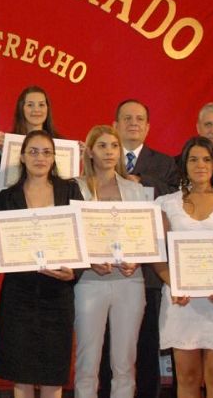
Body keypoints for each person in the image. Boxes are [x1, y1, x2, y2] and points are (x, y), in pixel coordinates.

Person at [0, 130, 82, 398]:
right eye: (33, 152)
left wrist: (75, 272)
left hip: (57, 296)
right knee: (21, 377)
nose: (40, 157)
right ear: (23, 157)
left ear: (54, 158)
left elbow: (83, 240)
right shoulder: (6, 197)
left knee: (53, 376)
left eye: (46, 152)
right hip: (19, 297)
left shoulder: (70, 190)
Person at [153, 136, 213, 398]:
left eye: (207, 159)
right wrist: (175, 284)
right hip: (181, 301)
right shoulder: (165, 203)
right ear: (183, 165)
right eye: (193, 159)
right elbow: (157, 255)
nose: (200, 165)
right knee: (187, 377)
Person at [101, 99, 179, 398]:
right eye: (127, 118)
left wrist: (141, 181)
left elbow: (174, 199)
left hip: (149, 273)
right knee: (108, 347)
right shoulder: (104, 156)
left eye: (140, 119)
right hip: (106, 271)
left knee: (148, 347)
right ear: (115, 125)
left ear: (148, 127)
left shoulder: (165, 164)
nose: (133, 123)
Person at [73, 125, 146, 398]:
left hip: (130, 281)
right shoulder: (75, 188)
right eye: (102, 146)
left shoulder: (135, 190)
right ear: (90, 151)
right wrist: (89, 261)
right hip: (90, 284)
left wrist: (137, 260)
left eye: (114, 146)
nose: (109, 152)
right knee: (87, 362)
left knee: (125, 363)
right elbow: (69, 235)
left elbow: (144, 235)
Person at [0, 85, 61, 150]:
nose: (36, 110)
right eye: (30, 105)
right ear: (21, 108)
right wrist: (2, 151)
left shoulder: (61, 143)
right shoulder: (7, 142)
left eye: (41, 104)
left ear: (47, 109)